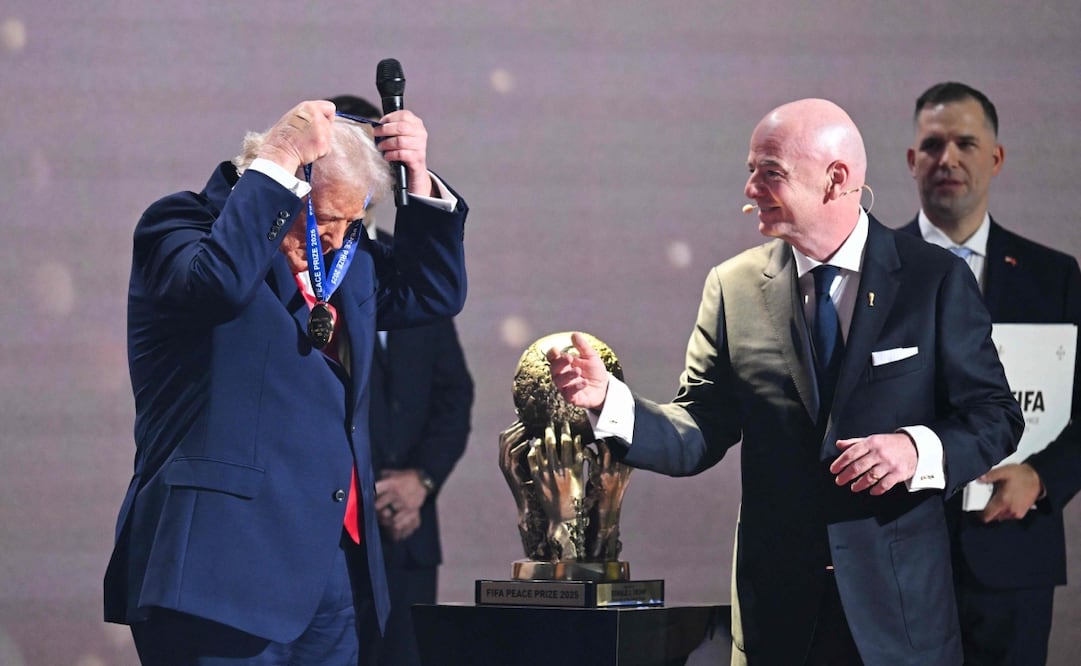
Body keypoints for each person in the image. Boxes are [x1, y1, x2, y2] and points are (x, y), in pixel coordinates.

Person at [547, 98, 1023, 665]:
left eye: (769, 173)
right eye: (750, 170)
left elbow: (995, 415)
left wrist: (916, 450)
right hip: (777, 622)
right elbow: (698, 427)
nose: (750, 190)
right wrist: (611, 403)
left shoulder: (933, 279)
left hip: (898, 622)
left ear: (835, 180)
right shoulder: (733, 287)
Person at [104, 96, 469, 665]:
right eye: (325, 220)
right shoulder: (180, 226)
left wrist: (418, 179)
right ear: (284, 186)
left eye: (354, 221)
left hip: (332, 575)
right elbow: (218, 284)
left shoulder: (348, 259)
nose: (336, 239)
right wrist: (277, 156)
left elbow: (434, 291)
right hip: (222, 569)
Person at [900, 81, 1081, 665]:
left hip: (1012, 556)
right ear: (911, 161)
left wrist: (1043, 477)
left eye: (965, 143)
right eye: (931, 145)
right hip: (894, 554)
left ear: (995, 158)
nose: (946, 158)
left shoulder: (1051, 277)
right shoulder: (870, 270)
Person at [329, 93, 475, 666]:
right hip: (334, 520)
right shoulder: (297, 265)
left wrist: (424, 481)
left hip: (407, 529)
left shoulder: (397, 269)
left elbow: (454, 394)